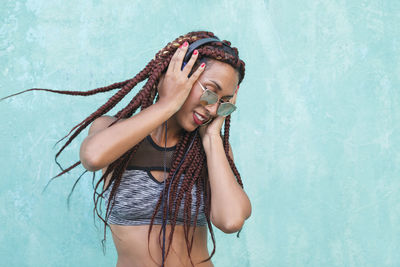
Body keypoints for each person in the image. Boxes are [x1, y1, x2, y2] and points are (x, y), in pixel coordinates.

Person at [1, 30, 252, 267]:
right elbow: (93, 157)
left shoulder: (210, 151)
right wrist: (167, 105)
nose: (212, 109)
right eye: (210, 93)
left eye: (224, 104)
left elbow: (230, 220)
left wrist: (211, 138)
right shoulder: (111, 129)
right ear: (179, 74)